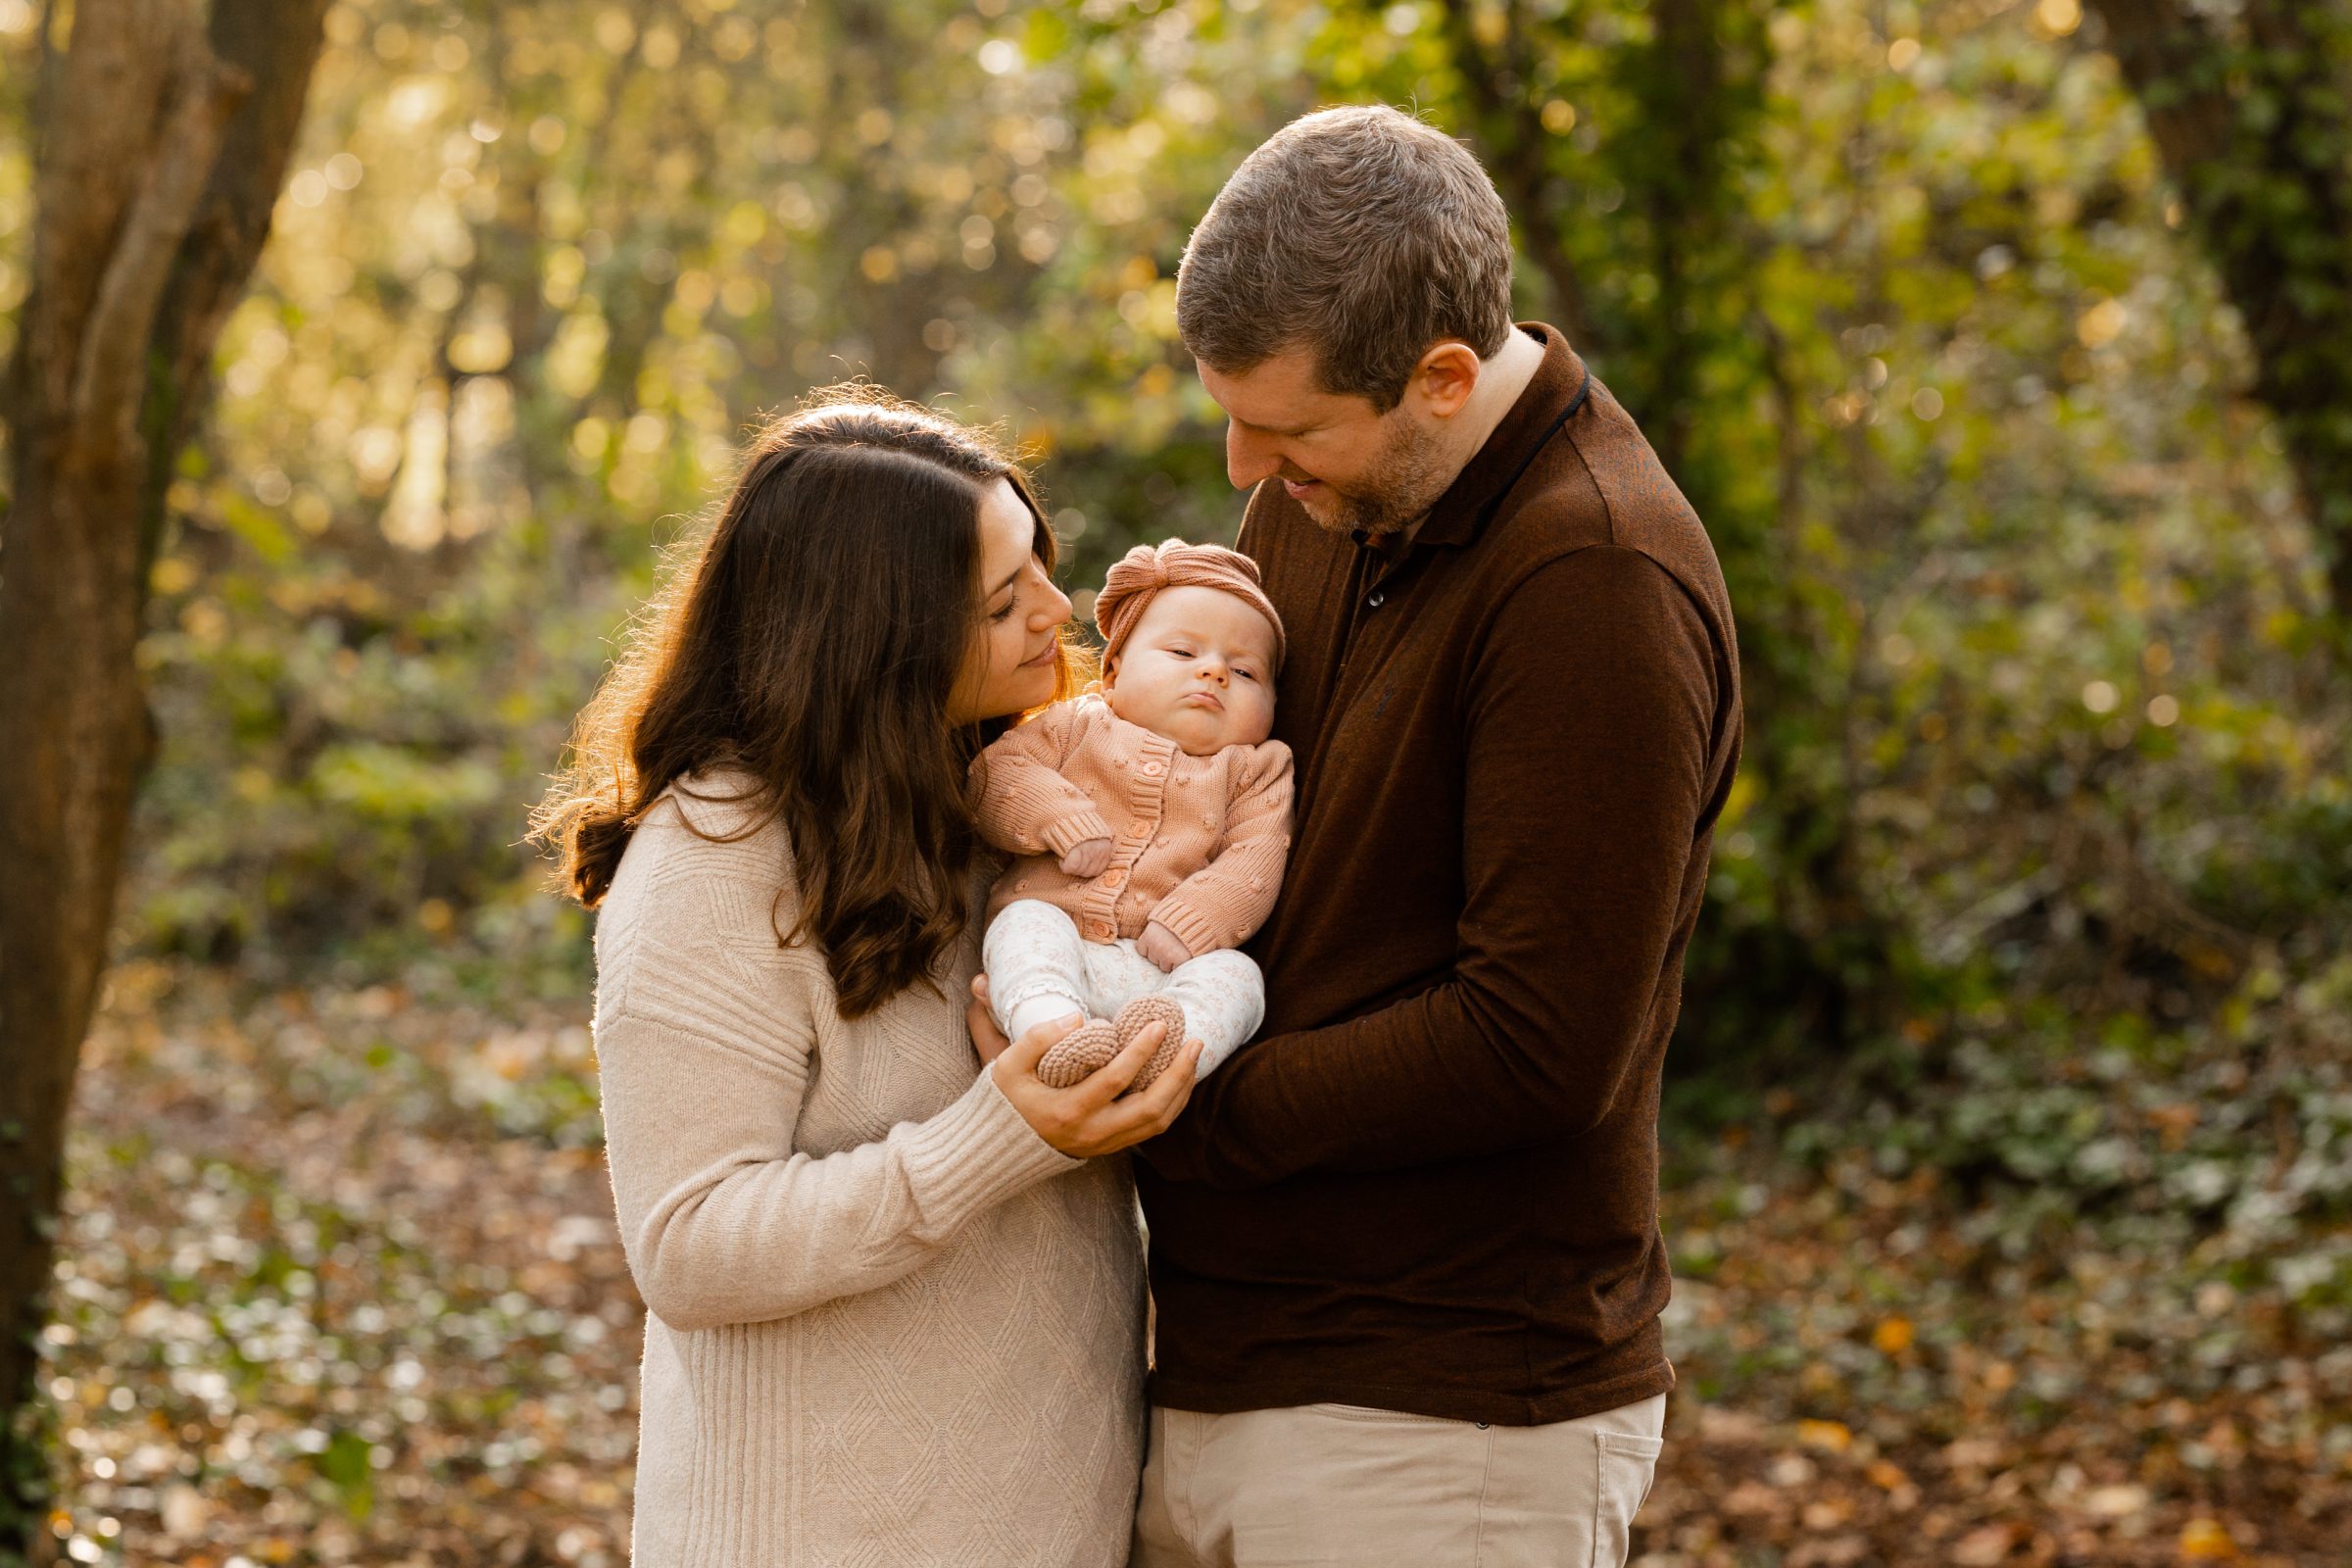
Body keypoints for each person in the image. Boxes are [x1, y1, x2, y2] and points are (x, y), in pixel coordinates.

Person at [972, 105, 1746, 1565]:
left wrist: (1182, 1109)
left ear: (1442, 378)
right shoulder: (1323, 503)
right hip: (1221, 1365)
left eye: (1287, 426)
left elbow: (1536, 1040)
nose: (1241, 464)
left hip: (1442, 1420)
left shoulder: (1595, 581)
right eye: (1231, 411)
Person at [531, 395, 1201, 1567]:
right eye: (1002, 602)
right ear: (874, 642)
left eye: (1038, 564)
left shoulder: (1013, 803)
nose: (1059, 612)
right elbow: (688, 1242)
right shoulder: (713, 862)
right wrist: (1000, 1134)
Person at [971, 539, 1294, 1093]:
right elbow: (995, 775)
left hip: (1164, 975)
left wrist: (1196, 918)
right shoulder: (1075, 725)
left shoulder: (1257, 768)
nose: (1215, 673)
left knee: (1239, 978)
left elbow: (1257, 856)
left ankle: (1161, 1059)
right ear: (1115, 672)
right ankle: (1048, 1029)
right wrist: (1061, 816)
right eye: (1183, 654)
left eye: (1244, 672)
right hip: (1062, 939)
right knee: (1025, 925)